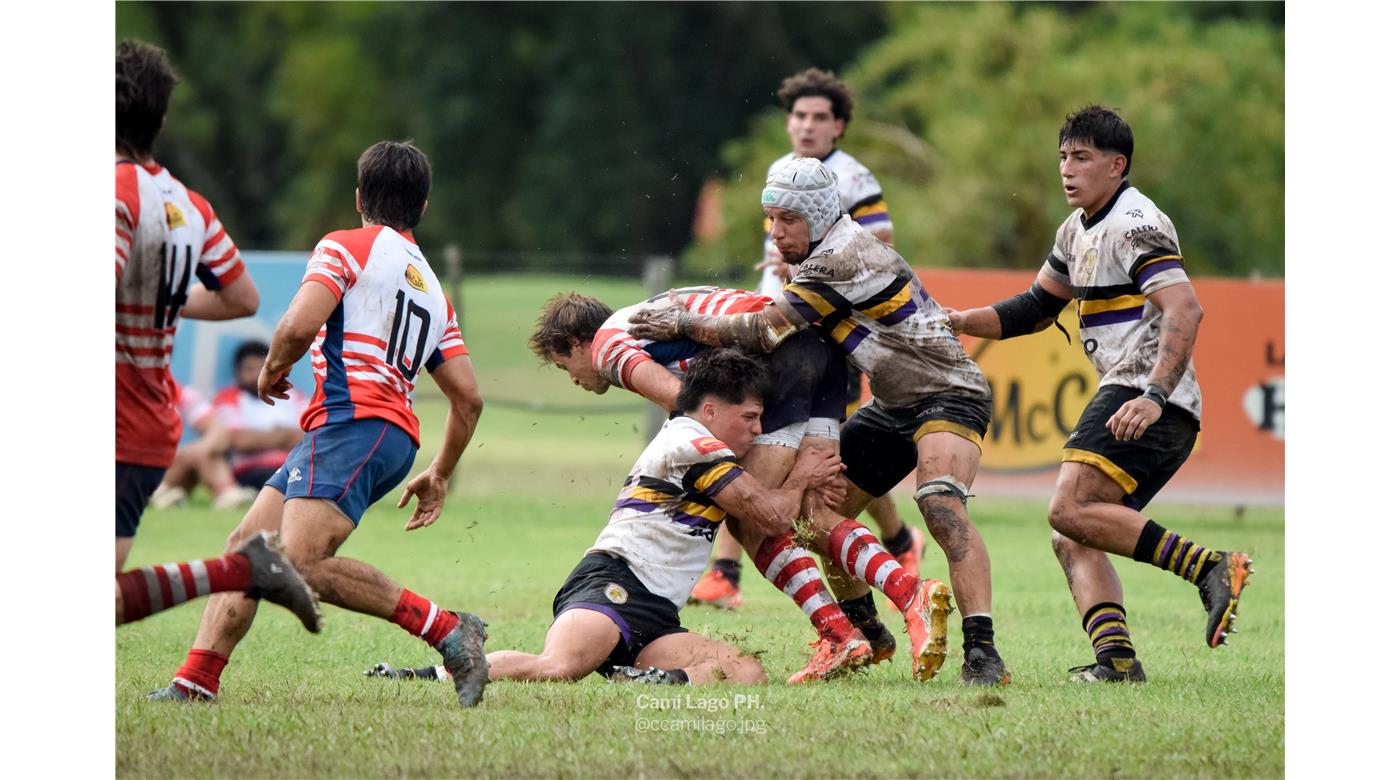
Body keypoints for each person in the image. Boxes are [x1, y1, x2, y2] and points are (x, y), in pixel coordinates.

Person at [629, 155, 1010, 685]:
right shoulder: (825, 254)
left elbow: (765, 331)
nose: (775, 232)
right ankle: (864, 634)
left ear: (816, 214)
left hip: (952, 394)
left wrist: (683, 322)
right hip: (894, 405)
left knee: (939, 504)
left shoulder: (838, 258)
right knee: (816, 514)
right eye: (770, 219)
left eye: (788, 219)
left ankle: (983, 654)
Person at [148, 140, 492, 708]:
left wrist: (271, 372)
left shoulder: (344, 247)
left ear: (359, 197)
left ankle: (451, 632)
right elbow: (469, 398)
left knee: (297, 562)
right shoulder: (432, 288)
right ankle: (196, 679)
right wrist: (440, 471)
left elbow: (296, 324)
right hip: (383, 433)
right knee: (247, 546)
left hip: (354, 422)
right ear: (423, 207)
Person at [943, 106, 1253, 682]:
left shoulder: (1135, 222)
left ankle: (1211, 568)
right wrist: (960, 319)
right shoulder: (1077, 227)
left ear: (1117, 166)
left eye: (1081, 157)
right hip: (1140, 395)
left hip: (1145, 394)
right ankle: (1117, 661)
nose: (1067, 168)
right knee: (1072, 532)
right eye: (1063, 156)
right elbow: (1036, 308)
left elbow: (1186, 307)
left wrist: (1155, 395)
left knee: (1068, 506)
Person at [521, 289, 954, 683]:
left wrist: (707, 473)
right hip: (823, 353)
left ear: (577, 343)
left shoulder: (607, 348)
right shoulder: (643, 316)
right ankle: (890, 604)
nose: (575, 379)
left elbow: (689, 409)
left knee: (754, 519)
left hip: (779, 355)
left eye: (565, 367)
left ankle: (851, 628)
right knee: (814, 514)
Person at [373, 350, 847, 686]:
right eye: (749, 417)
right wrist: (803, 473)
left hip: (657, 614)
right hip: (614, 582)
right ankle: (427, 673)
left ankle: (645, 682)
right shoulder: (693, 444)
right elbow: (769, 518)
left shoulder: (706, 443)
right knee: (559, 667)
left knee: (746, 671)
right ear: (710, 410)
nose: (758, 430)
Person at [695, 68, 922, 611]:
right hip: (775, 322)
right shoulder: (781, 170)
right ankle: (893, 544)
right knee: (779, 444)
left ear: (839, 125)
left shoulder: (856, 178)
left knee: (804, 452)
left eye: (820, 117)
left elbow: (880, 242)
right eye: (799, 115)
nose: (807, 125)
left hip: (823, 331)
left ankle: (732, 570)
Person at [114, 39, 320, 630]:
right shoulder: (189, 204)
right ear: (162, 117)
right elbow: (242, 297)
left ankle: (240, 571)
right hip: (148, 415)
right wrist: (159, 302)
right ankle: (239, 570)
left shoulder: (114, 195)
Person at [149, 381, 259, 511]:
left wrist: (199, 451)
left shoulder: (178, 392)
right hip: (131, 467)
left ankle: (227, 495)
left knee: (205, 451)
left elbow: (220, 433)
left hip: (165, 468)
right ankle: (227, 493)